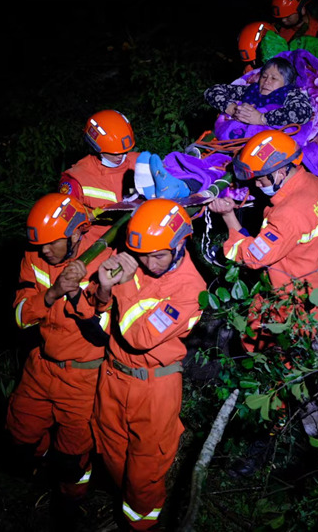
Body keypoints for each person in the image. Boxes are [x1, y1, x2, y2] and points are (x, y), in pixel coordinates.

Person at [84, 198, 205, 531]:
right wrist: (104, 290)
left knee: (144, 471)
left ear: (180, 244)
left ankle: (141, 525)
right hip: (112, 373)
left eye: (158, 255)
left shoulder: (190, 290)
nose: (149, 262)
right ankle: (124, 507)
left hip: (154, 388)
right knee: (110, 451)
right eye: (143, 255)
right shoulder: (135, 258)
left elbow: (139, 336)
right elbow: (100, 316)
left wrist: (118, 283)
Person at [5, 193, 111, 514]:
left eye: (51, 244)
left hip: (83, 377)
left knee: (72, 458)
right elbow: (20, 316)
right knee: (19, 439)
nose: (43, 251)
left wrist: (79, 292)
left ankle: (71, 504)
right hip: (41, 366)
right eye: (39, 245)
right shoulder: (35, 258)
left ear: (77, 233)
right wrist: (51, 294)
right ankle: (38, 474)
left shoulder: (107, 257)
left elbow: (108, 329)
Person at [208, 129, 318, 353]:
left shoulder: (289, 214)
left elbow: (252, 257)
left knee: (273, 349)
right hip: (310, 282)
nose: (256, 184)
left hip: (287, 296)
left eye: (261, 177)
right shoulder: (315, 184)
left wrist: (227, 217)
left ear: (280, 172)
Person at [59, 109, 140, 212]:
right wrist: (99, 214)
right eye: (114, 153)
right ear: (96, 148)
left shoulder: (140, 162)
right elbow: (67, 221)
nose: (120, 156)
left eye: (125, 151)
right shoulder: (77, 180)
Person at [204, 56, 314, 129]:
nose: (266, 82)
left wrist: (261, 118)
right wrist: (233, 109)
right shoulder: (251, 90)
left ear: (286, 83)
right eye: (264, 76)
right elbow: (211, 91)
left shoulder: (290, 93)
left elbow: (303, 112)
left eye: (274, 78)